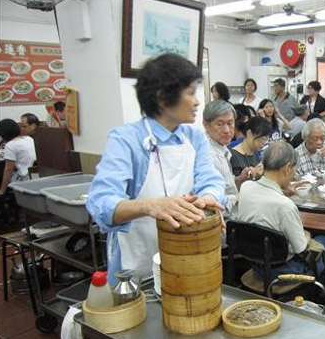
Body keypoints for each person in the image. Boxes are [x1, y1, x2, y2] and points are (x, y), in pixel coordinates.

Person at [86, 53, 225, 285]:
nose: (198, 101)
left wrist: (208, 199)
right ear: (163, 98)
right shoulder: (126, 139)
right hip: (135, 267)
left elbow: (210, 180)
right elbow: (100, 203)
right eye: (190, 93)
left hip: (186, 258)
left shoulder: (194, 138)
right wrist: (152, 205)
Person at [235, 141, 325, 298]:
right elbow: (301, 248)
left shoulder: (246, 187)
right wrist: (307, 235)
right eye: (294, 169)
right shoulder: (285, 206)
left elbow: (266, 200)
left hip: (254, 262)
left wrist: (283, 189)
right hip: (283, 272)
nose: (293, 174)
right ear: (287, 168)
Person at [204, 99, 251, 217]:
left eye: (230, 123)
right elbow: (212, 206)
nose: (226, 130)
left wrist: (239, 180)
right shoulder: (208, 156)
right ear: (206, 125)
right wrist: (239, 196)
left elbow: (223, 187)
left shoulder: (221, 148)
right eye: (220, 124)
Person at [0, 119, 36, 196]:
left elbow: (8, 170)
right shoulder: (29, 139)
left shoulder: (11, 145)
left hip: (23, 177)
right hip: (34, 174)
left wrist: (1, 190)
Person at [230, 117, 271, 183]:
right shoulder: (233, 156)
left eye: (266, 139)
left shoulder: (255, 153)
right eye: (263, 139)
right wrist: (254, 175)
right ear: (249, 133)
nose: (264, 143)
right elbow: (233, 186)